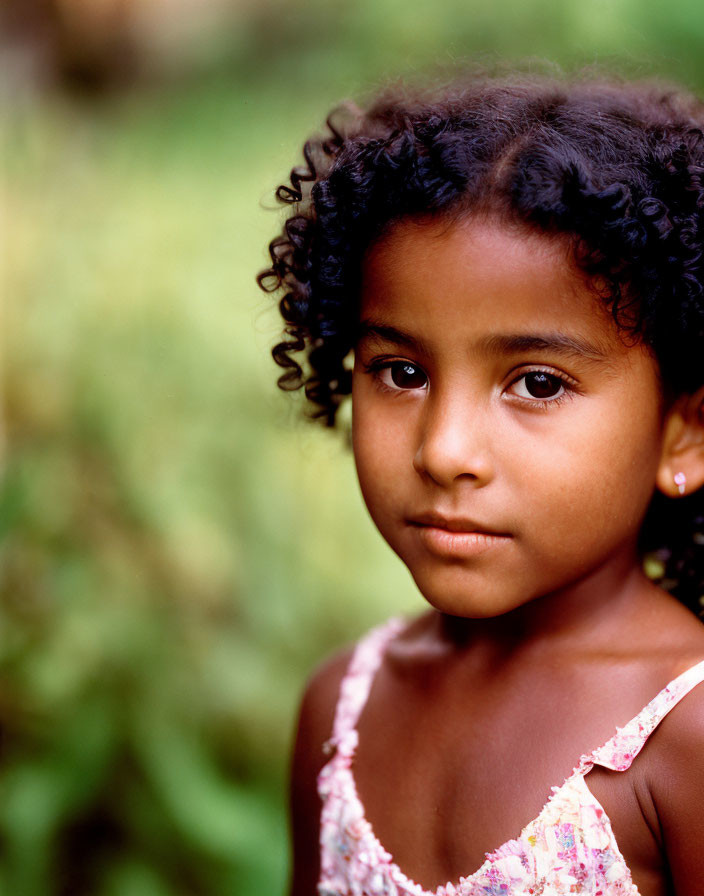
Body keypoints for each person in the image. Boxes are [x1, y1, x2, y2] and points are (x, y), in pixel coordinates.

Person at [258, 69, 704, 895]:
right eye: (400, 371)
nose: (444, 450)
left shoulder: (685, 735)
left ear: (686, 432)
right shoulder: (344, 710)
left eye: (536, 383)